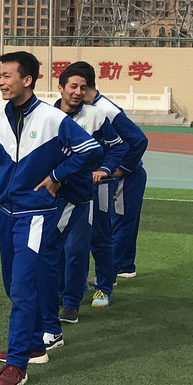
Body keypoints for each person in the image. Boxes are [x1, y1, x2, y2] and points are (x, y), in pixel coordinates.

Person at [0, 51, 103, 385]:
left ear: (27, 80)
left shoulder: (51, 118)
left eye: (7, 75)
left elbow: (90, 150)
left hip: (36, 216)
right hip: (5, 213)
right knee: (11, 285)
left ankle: (18, 363)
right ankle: (32, 345)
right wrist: (8, 169)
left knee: (23, 288)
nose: (0, 81)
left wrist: (56, 176)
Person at [53, 62, 126, 321]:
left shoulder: (96, 115)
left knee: (98, 240)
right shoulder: (47, 115)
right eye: (73, 86)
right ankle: (64, 292)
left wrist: (104, 169)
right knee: (60, 246)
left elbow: (118, 147)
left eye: (82, 88)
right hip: (59, 191)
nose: (77, 92)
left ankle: (103, 288)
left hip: (95, 189)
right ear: (61, 88)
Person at [71, 61, 150, 278]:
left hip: (128, 175)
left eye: (78, 87)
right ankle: (125, 266)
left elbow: (139, 140)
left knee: (119, 223)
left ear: (85, 86)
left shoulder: (105, 109)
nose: (74, 93)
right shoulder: (94, 107)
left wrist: (122, 169)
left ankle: (110, 273)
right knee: (126, 221)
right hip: (127, 173)